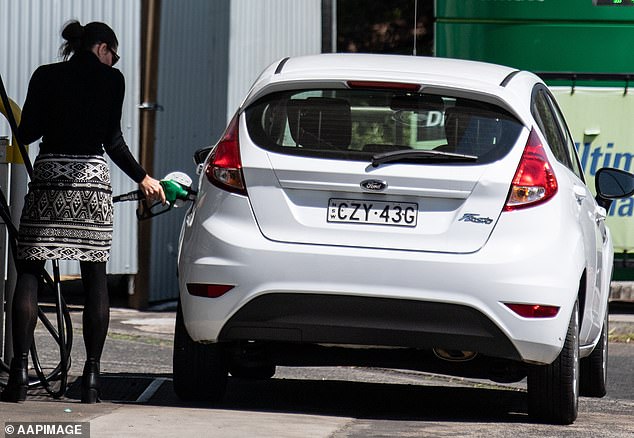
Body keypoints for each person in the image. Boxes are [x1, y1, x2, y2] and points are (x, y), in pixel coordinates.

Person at [1, 20, 165, 404]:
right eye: (114, 54)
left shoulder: (45, 76)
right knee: (94, 276)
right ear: (101, 48)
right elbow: (112, 140)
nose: (114, 61)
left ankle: (19, 377)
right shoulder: (113, 81)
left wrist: (16, 114)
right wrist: (143, 177)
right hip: (91, 184)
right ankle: (91, 379)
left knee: (28, 270)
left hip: (49, 178)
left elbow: (26, 134)